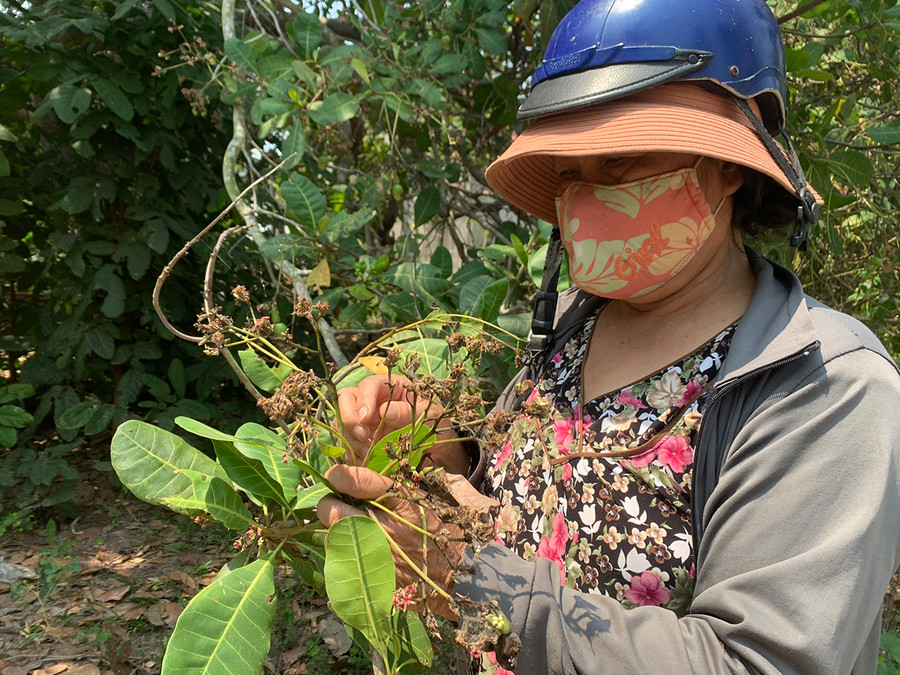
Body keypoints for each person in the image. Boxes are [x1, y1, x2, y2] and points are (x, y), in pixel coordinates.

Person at [318, 0, 900, 672]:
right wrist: (441, 450)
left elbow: (756, 660)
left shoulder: (824, 384)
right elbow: (522, 510)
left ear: (729, 166)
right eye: (570, 170)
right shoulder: (569, 325)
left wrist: (473, 578)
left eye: (620, 160)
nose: (587, 194)